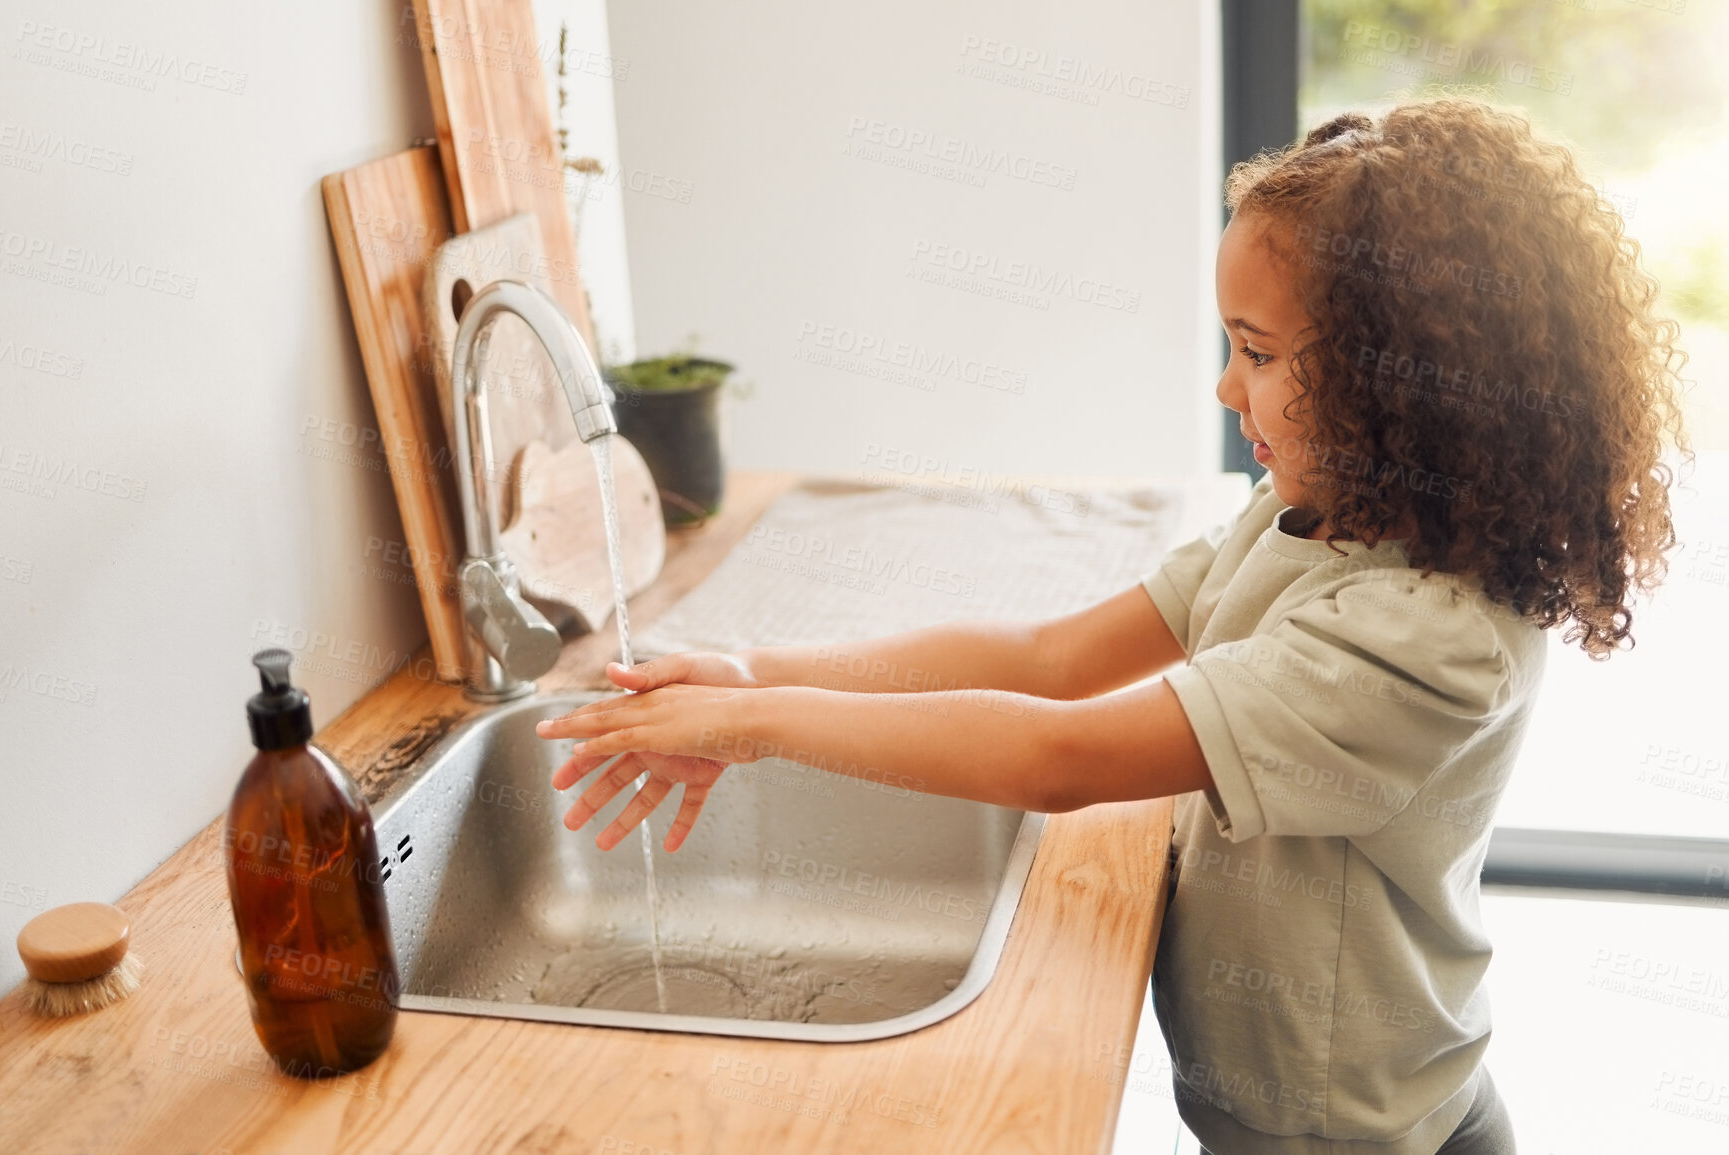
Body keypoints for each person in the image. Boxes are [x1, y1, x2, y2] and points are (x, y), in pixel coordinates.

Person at [535, 98, 1687, 1154]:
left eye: (1260, 352)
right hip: (1267, 1100)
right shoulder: (1308, 518)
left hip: (1351, 1128)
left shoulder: (1423, 638)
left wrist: (766, 726)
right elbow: (1050, 660)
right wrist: (753, 670)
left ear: (1413, 388)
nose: (1227, 391)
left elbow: (1060, 755)